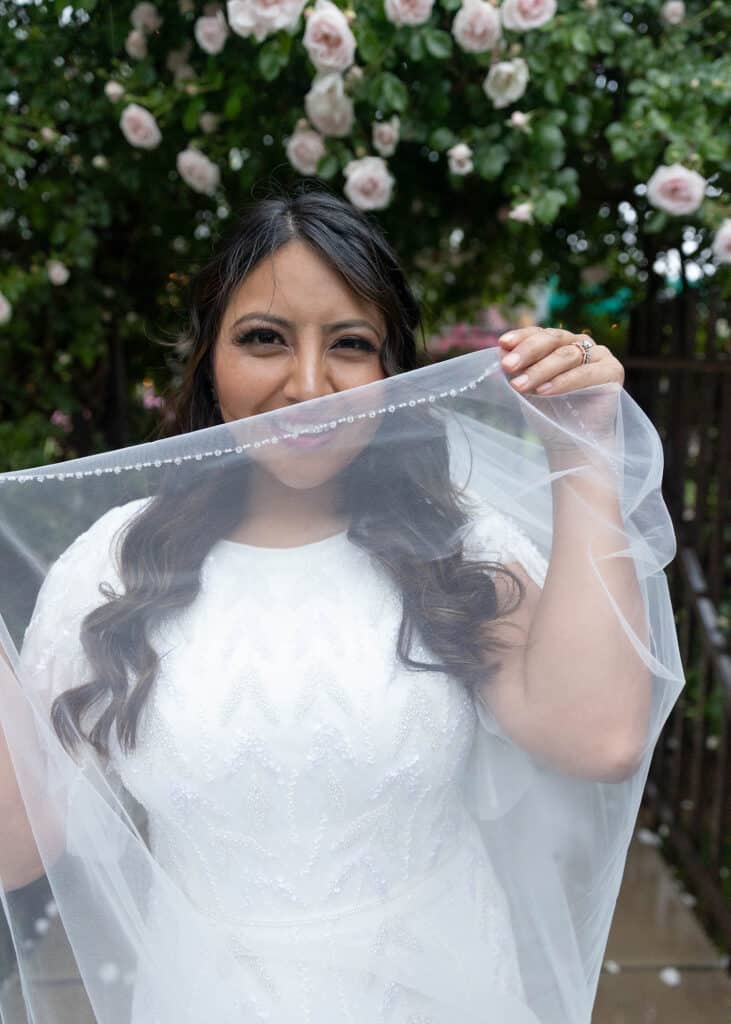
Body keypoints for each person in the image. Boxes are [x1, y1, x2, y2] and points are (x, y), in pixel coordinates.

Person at [0, 185, 684, 1024]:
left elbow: (601, 739)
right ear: (208, 360)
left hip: (443, 988)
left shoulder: (453, 548)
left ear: (391, 369)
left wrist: (583, 448)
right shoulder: (114, 566)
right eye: (263, 339)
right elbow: (17, 850)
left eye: (351, 344)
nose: (310, 385)